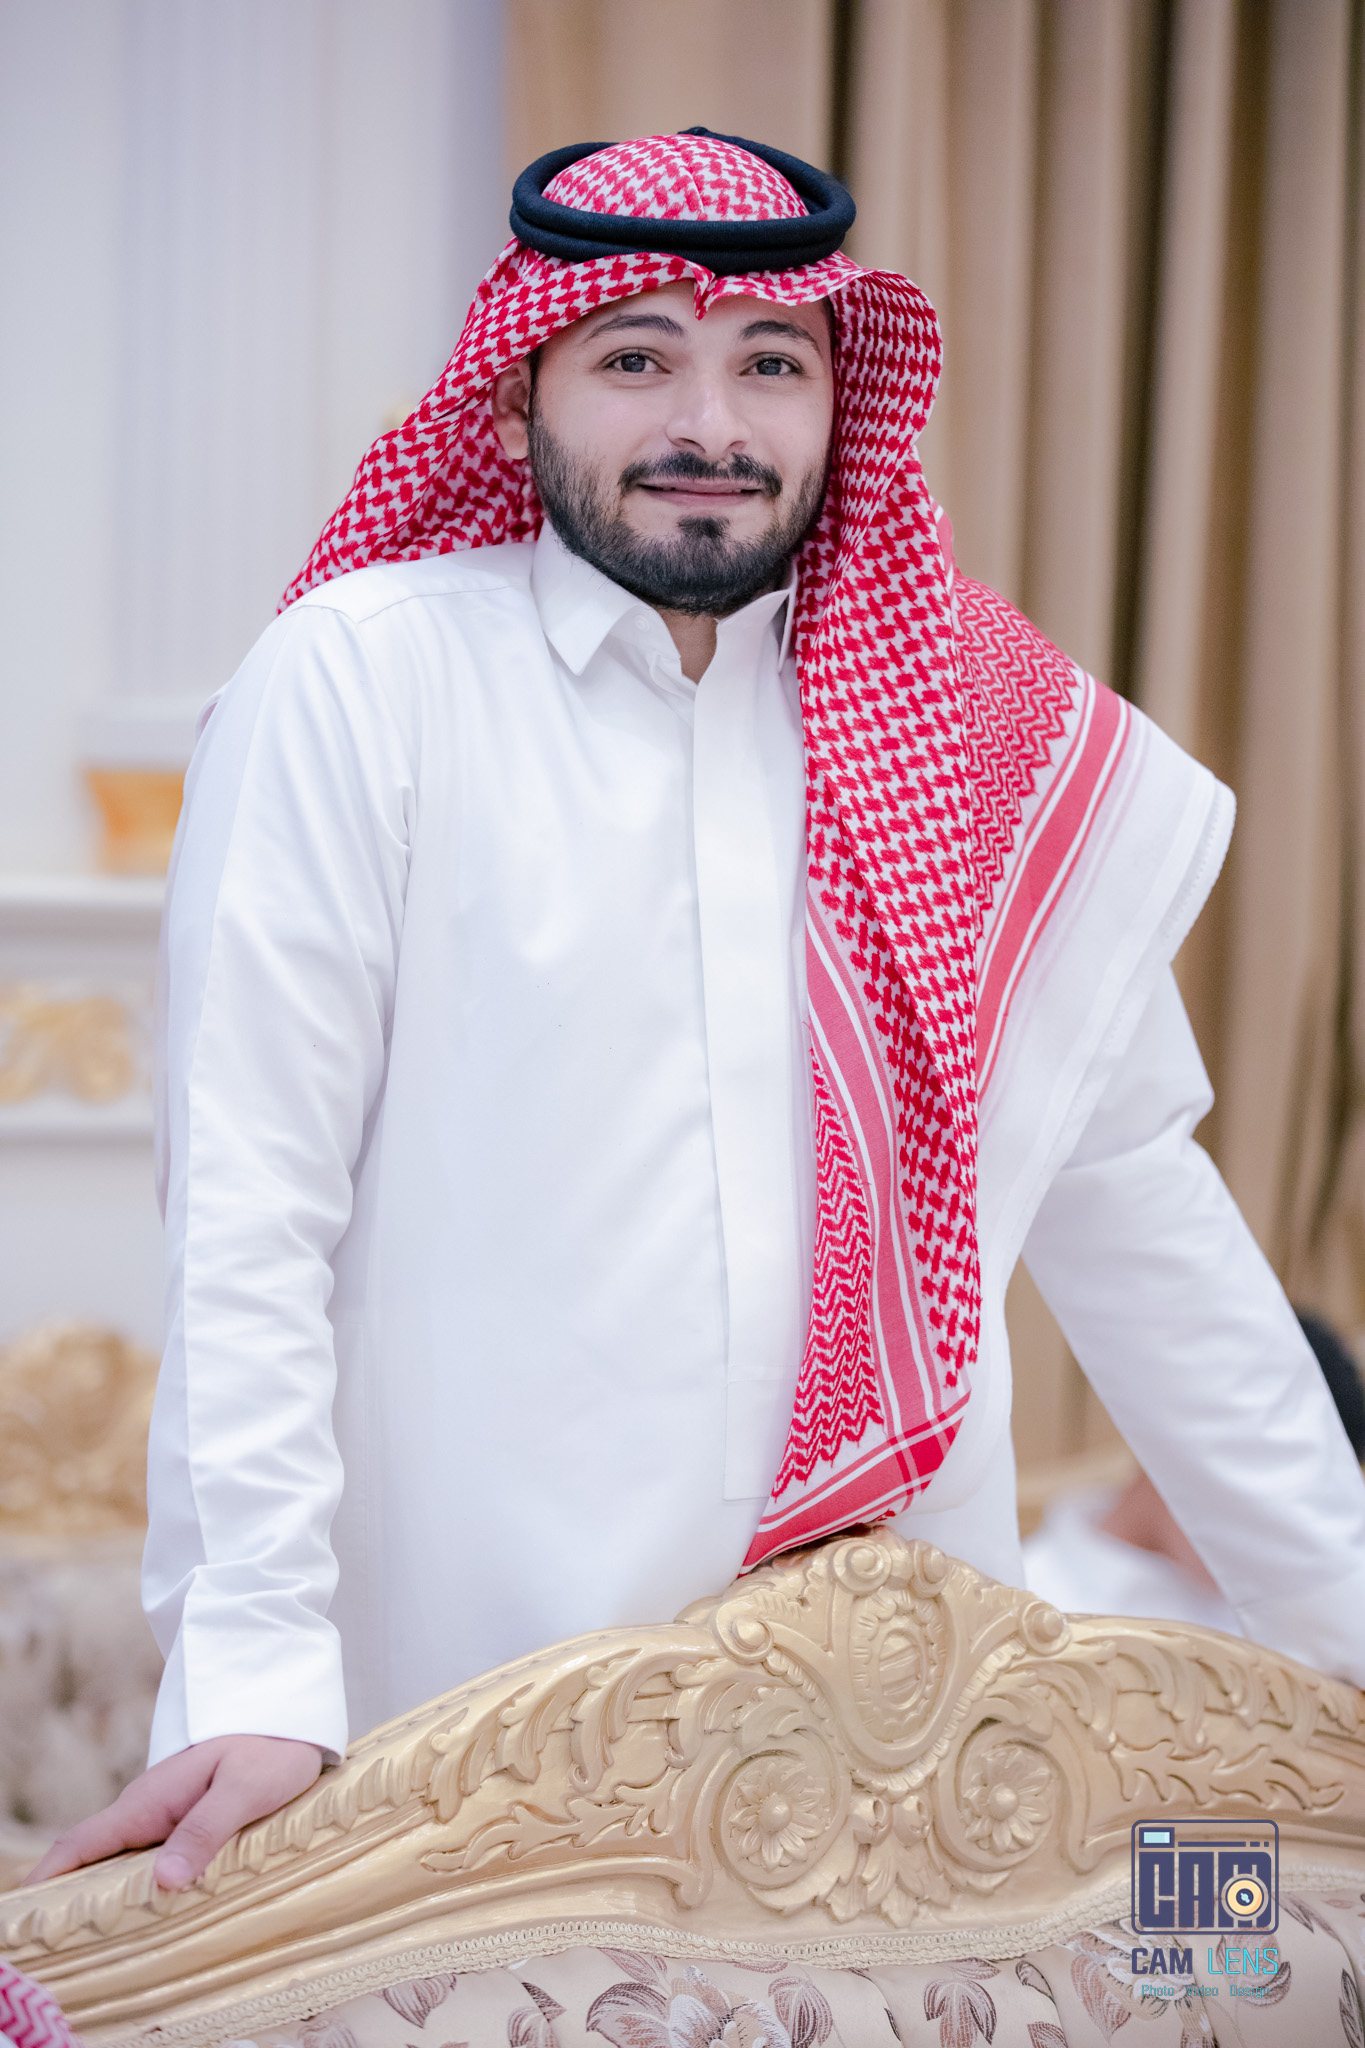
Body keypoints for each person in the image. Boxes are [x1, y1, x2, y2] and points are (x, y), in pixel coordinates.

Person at [31, 127, 1365, 1896]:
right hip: (468, 1742)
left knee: (1227, 1939)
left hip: (903, 1749)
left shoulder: (974, 730)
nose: (711, 425)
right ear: (521, 388)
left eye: (771, 365)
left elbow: (1149, 1229)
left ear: (841, 399)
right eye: (637, 357)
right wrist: (259, 1676)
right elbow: (252, 1216)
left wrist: (1349, 1638)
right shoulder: (366, 683)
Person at [1023, 1311, 1365, 1630]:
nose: (1269, 1532)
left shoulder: (1296, 1623)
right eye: (1256, 1487)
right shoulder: (1022, 1600)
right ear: (1171, 1428)